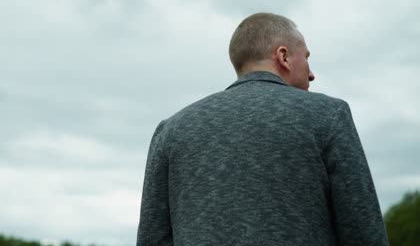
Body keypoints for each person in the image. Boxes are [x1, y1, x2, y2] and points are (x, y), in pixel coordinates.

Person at [136, 12, 389, 245]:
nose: (311, 74)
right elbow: (363, 232)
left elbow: (152, 239)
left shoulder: (171, 130)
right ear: (284, 56)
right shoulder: (328, 115)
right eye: (307, 58)